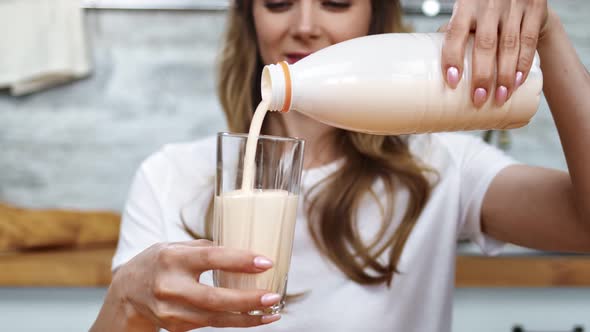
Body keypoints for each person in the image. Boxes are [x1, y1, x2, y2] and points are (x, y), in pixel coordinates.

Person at [91, 0, 590, 331]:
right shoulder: (168, 177)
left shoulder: (440, 165)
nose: (304, 24)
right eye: (279, 1)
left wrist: (548, 34)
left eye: (335, 0)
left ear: (374, 20)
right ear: (249, 20)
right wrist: (125, 301)